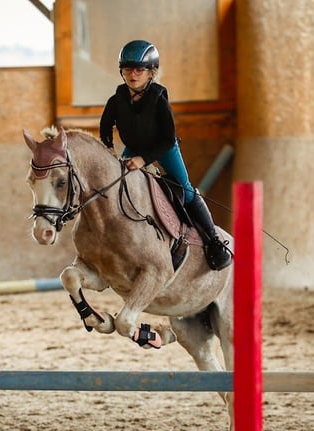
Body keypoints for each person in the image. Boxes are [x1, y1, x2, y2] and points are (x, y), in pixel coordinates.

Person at [99, 39, 232, 271]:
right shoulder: (116, 99)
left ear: (151, 72)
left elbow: (169, 138)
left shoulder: (159, 99)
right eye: (128, 69)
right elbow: (105, 127)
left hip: (163, 148)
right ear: (121, 71)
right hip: (133, 148)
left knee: (187, 190)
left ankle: (213, 241)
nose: (133, 74)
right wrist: (109, 147)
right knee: (116, 183)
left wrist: (143, 160)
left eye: (140, 69)